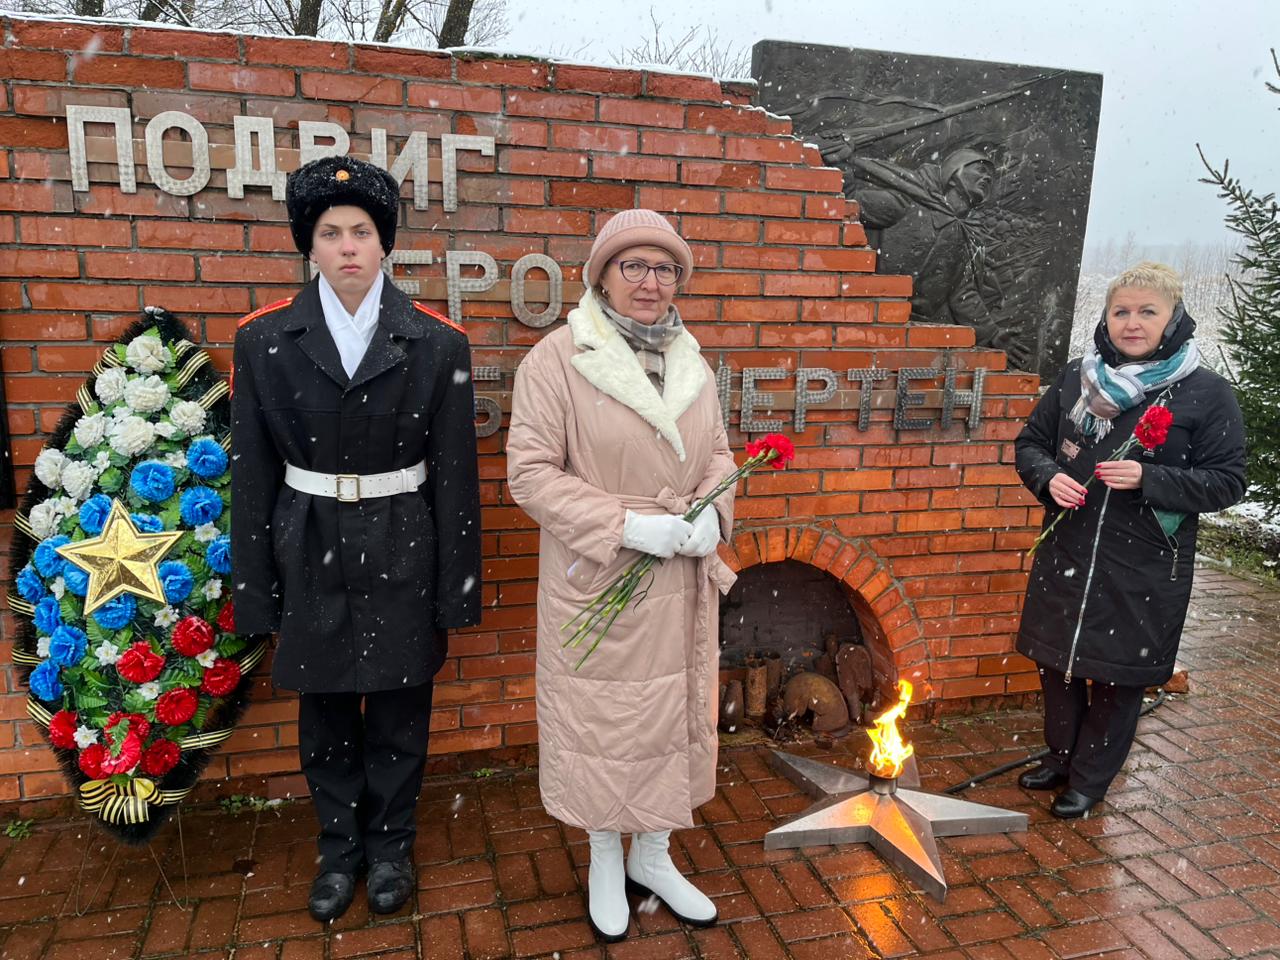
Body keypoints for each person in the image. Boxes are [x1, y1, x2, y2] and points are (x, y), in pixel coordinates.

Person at [231, 156, 481, 921]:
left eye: (362, 232)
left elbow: (454, 478)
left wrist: (455, 589)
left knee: (403, 710)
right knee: (328, 714)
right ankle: (339, 852)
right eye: (330, 232)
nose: (346, 246)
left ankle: (392, 848)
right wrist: (255, 589)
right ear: (309, 246)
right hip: (306, 544)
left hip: (404, 539)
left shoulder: (437, 344)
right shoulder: (265, 338)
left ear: (384, 247)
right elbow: (252, 474)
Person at [506, 209, 738, 942]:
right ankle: (605, 854)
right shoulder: (558, 359)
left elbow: (721, 456)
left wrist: (712, 515)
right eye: (633, 265)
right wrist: (628, 526)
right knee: (603, 722)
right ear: (602, 273)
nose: (650, 282)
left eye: (665, 268)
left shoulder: (694, 361)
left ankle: (657, 854)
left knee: (672, 718)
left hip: (681, 580)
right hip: (601, 573)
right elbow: (531, 474)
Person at [1014, 262, 1245, 818]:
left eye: (1147, 312)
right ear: (1106, 317)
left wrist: (1151, 479)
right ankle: (1062, 756)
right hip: (1069, 550)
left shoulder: (1205, 393)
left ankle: (1090, 780)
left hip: (1143, 565)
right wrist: (1048, 476)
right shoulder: (1077, 378)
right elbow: (1031, 443)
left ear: (1173, 319)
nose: (1132, 323)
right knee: (1057, 662)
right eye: (1121, 311)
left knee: (1117, 676)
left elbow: (1229, 481)